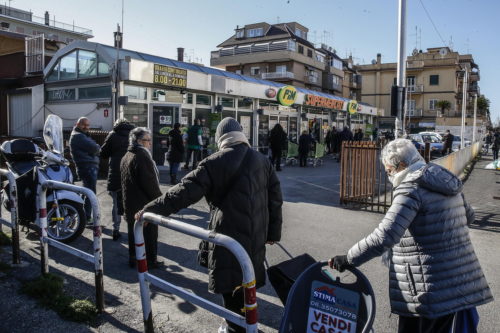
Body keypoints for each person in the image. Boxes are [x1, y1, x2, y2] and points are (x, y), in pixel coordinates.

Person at [329, 139, 493, 333]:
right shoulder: (445, 180)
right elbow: (469, 216)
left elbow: (385, 236)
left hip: (429, 288)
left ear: (401, 165)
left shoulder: (410, 188)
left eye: (388, 170)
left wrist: (349, 258)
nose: (388, 175)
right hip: (460, 280)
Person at [138, 117, 283, 333]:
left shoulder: (214, 162)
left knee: (231, 287)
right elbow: (275, 200)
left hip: (228, 237)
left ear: (221, 138)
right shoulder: (262, 160)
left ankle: (237, 327)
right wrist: (273, 233)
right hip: (256, 238)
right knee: (246, 284)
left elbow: (183, 193)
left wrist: (150, 210)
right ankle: (244, 325)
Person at [121, 127, 163, 268]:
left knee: (134, 233)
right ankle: (150, 261)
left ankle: (135, 258)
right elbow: (149, 183)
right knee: (148, 235)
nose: (150, 143)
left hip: (130, 202)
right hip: (143, 203)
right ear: (139, 141)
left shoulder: (127, 154)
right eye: (147, 140)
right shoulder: (141, 156)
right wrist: (160, 200)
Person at [100, 118, 135, 241]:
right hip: (131, 171)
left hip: (115, 170)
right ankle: (135, 230)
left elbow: (103, 153)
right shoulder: (133, 134)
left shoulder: (112, 135)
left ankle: (116, 229)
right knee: (132, 202)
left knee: (115, 202)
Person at [69, 117, 100, 224]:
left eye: (88, 125)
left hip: (87, 167)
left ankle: (82, 215)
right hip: (87, 167)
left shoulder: (81, 135)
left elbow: (94, 148)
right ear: (77, 124)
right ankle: (86, 217)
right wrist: (95, 150)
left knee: (86, 192)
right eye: (83, 124)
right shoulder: (79, 136)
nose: (86, 127)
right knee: (90, 193)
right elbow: (96, 148)